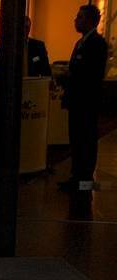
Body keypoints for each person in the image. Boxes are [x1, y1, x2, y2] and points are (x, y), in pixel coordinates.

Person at [58, 5, 108, 192]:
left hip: (86, 102)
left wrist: (67, 78)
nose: (75, 20)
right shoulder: (80, 43)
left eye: (79, 17)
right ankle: (77, 176)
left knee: (86, 140)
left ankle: (84, 180)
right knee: (76, 140)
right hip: (77, 101)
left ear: (89, 21)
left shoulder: (97, 44)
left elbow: (89, 75)